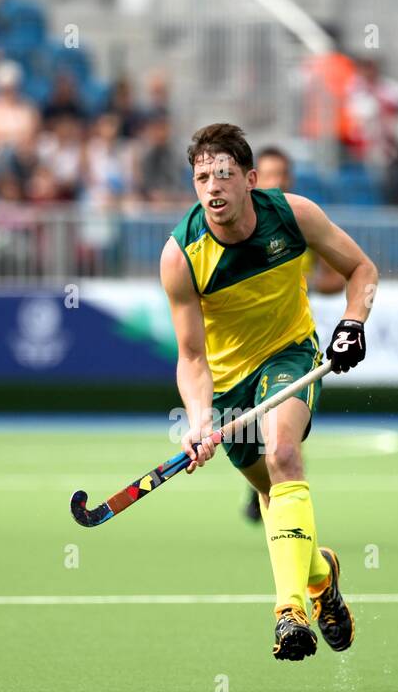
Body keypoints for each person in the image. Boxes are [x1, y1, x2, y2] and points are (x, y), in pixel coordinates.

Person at [161, 123, 377, 661]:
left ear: (250, 180)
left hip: (289, 356)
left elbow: (361, 269)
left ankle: (289, 613)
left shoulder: (292, 214)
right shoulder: (181, 256)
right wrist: (199, 420)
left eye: (224, 175)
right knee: (273, 497)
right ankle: (322, 576)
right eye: (202, 177)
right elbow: (191, 357)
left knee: (284, 454)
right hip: (232, 384)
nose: (212, 187)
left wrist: (353, 322)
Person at [235, 145, 345, 524]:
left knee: (282, 437)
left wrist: (308, 283)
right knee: (246, 431)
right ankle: (265, 488)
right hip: (241, 350)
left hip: (288, 341)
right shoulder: (238, 228)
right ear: (253, 179)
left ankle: (278, 491)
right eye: (269, 174)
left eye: (282, 174)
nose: (276, 182)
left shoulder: (298, 221)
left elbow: (337, 277)